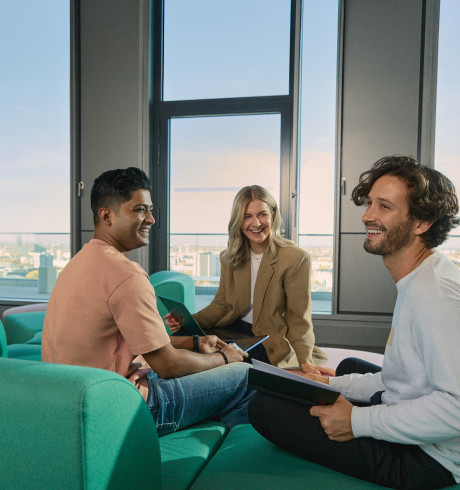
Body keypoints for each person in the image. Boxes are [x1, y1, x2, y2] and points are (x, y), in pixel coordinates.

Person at [248, 156, 460, 489]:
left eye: (385, 206)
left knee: (264, 407)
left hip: (429, 460)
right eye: (370, 203)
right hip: (413, 419)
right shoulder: (421, 278)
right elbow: (404, 377)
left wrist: (358, 421)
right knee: (343, 370)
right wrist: (328, 385)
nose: (367, 216)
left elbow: (456, 408)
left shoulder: (435, 297)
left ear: (421, 222)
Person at [41, 167, 254, 436]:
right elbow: (168, 365)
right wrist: (226, 358)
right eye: (140, 209)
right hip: (119, 410)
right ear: (106, 215)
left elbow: (125, 343)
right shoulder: (126, 274)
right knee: (244, 375)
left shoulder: (78, 264)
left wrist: (197, 342)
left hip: (76, 402)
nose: (151, 219)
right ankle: (223, 459)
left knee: (194, 365)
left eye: (150, 209)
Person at [166, 185, 333, 375]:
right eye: (247, 216)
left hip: (266, 338)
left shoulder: (295, 258)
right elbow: (221, 305)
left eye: (262, 214)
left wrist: (305, 361)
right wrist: (187, 321)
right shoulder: (229, 257)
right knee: (181, 339)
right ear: (238, 220)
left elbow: (298, 318)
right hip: (233, 329)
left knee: (220, 361)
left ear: (273, 215)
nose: (256, 223)